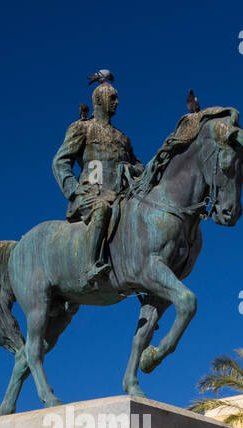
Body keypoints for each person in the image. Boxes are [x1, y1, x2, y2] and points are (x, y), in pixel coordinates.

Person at [52, 82, 144, 291]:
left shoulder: (122, 138)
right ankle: (89, 267)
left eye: (116, 98)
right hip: (91, 194)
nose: (117, 102)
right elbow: (60, 161)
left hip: (121, 197)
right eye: (112, 98)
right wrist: (73, 189)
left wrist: (132, 169)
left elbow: (140, 166)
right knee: (102, 209)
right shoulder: (82, 128)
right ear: (99, 101)